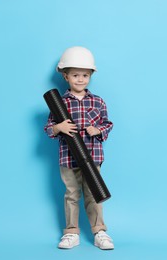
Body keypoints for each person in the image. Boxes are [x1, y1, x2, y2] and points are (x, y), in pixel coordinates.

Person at [44, 46, 114, 250]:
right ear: (65, 76)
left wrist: (97, 130)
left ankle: (99, 231)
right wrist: (59, 127)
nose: (80, 79)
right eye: (75, 75)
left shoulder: (98, 101)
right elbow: (48, 128)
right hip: (68, 158)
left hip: (92, 156)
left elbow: (107, 124)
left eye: (85, 75)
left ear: (91, 75)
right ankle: (71, 232)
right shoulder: (60, 103)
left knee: (94, 194)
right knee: (71, 194)